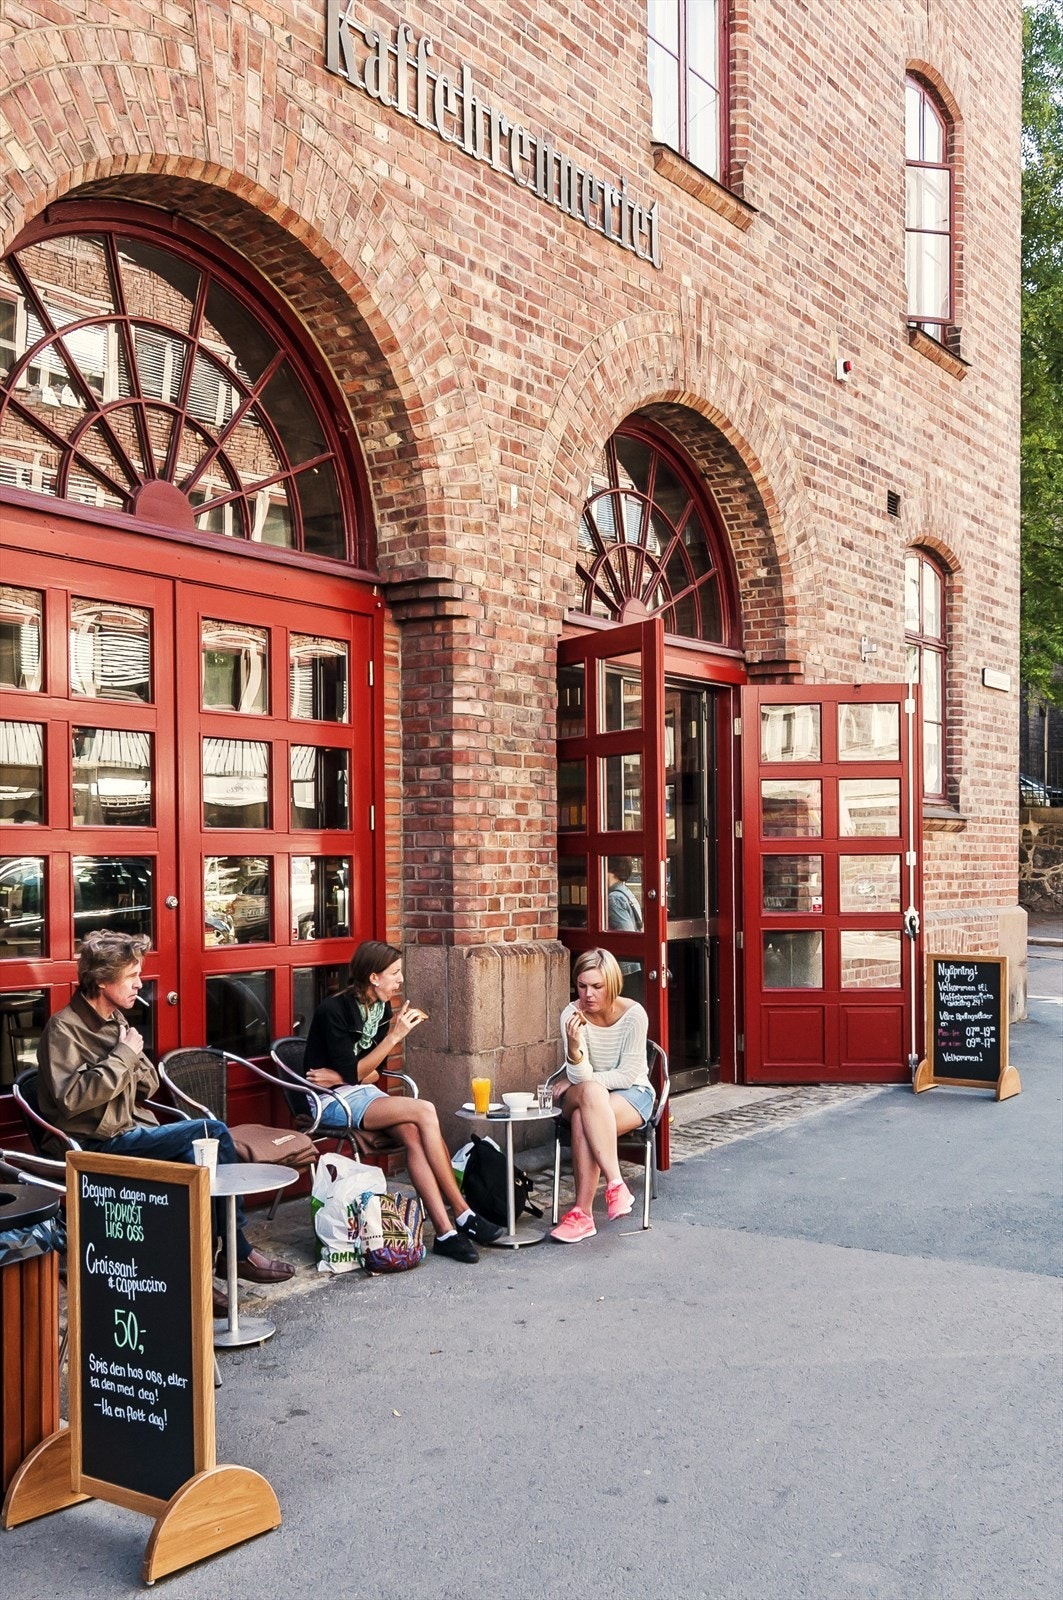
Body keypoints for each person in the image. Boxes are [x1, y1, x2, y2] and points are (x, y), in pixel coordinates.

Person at [37, 931, 295, 1306]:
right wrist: (124, 1055)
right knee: (212, 1133)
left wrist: (130, 1055)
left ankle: (201, 1275)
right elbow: (71, 1100)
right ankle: (235, 1253)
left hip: (131, 1131)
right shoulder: (64, 1029)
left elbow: (149, 1085)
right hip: (96, 1144)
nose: (139, 984)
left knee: (200, 1164)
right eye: (131, 977)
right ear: (102, 981)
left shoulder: (116, 1020)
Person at [303, 940, 503, 1262]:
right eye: (394, 973)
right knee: (424, 1110)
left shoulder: (380, 1008)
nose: (401, 980)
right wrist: (392, 1039)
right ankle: (464, 1213)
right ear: (373, 977)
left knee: (412, 1133)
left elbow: (372, 1074)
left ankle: (446, 1233)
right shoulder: (334, 1011)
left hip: (358, 1091)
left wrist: (344, 1074)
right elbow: (356, 1073)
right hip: (330, 1100)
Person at [550, 947, 655, 1243]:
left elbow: (625, 1075)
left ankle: (582, 1214)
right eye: (582, 986)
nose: (588, 995)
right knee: (591, 1098)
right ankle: (616, 1183)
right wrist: (573, 1047)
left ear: (612, 983)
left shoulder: (634, 1015)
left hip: (632, 1094)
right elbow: (580, 1076)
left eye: (597, 986)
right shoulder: (572, 1014)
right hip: (588, 1093)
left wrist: (578, 1084)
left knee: (586, 1116)